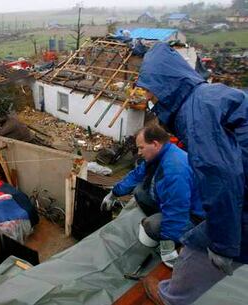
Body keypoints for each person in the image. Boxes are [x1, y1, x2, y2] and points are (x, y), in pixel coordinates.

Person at [136, 42, 248, 305]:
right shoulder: (205, 98)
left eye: (151, 91)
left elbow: (221, 177)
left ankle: (171, 297)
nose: (150, 98)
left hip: (235, 196)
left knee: (197, 247)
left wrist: (222, 243)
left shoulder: (196, 114)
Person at [101, 125, 204, 267]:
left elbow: (177, 210)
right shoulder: (161, 154)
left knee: (152, 226)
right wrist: (114, 193)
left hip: (194, 216)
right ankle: (165, 221)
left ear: (155, 144)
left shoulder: (175, 170)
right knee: (139, 192)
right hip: (178, 203)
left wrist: (168, 245)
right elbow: (136, 175)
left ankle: (178, 237)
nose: (139, 152)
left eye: (141, 148)